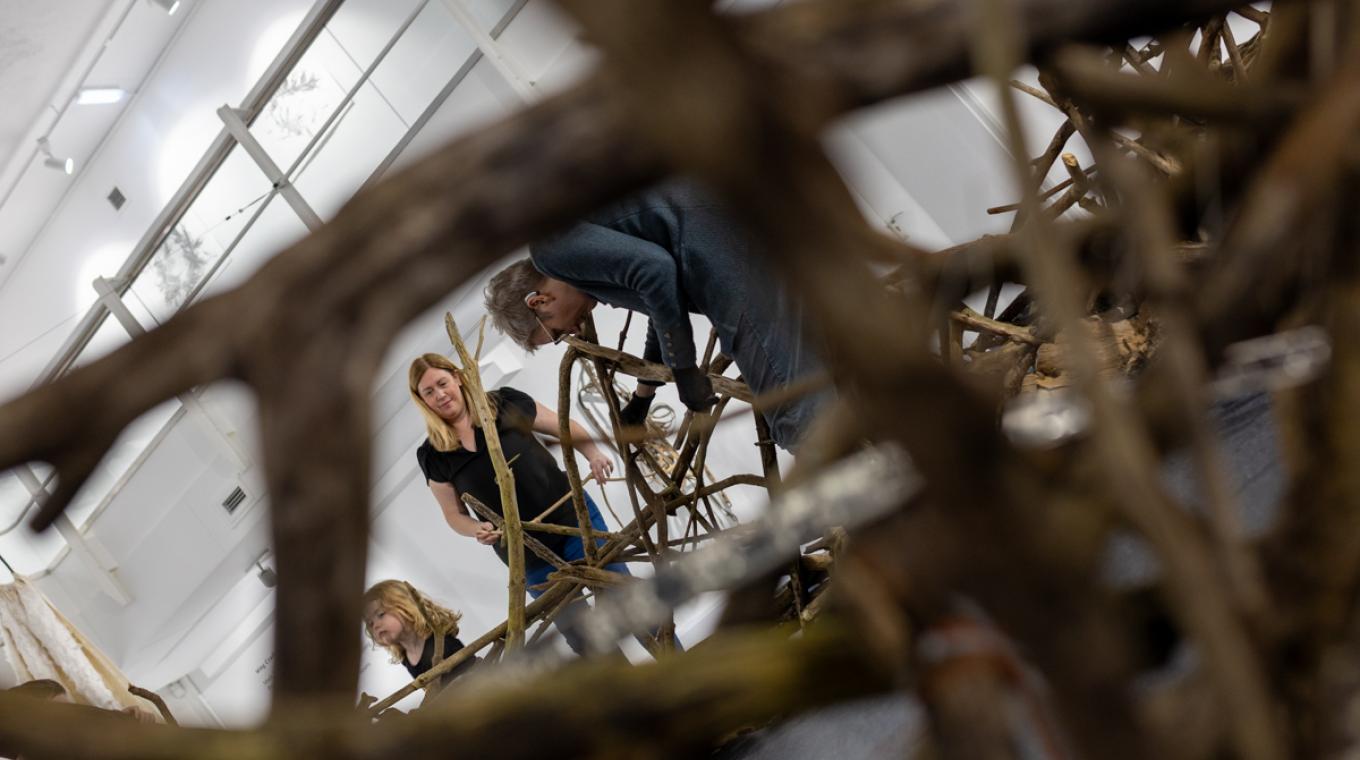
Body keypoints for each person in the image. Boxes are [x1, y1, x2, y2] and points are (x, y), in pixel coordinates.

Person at [484, 179, 827, 452]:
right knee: (817, 375)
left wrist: (685, 368)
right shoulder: (590, 281)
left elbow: (656, 270)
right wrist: (642, 399)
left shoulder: (550, 251)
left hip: (725, 253)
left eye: (557, 332)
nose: (572, 332)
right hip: (734, 244)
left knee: (797, 417)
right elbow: (660, 309)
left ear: (538, 301)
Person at [408, 353, 639, 653]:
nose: (440, 395)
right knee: (582, 635)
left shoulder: (505, 404)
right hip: (527, 557)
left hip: (573, 521)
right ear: (422, 400)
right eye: (429, 392)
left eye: (442, 383)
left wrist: (593, 454)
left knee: (625, 598)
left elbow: (564, 427)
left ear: (458, 378)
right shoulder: (433, 454)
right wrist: (476, 528)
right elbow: (453, 514)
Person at [362, 580, 477, 690]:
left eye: (381, 614)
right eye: (370, 623)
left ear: (405, 607)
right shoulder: (406, 658)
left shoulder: (440, 640)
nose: (375, 625)